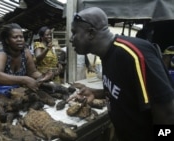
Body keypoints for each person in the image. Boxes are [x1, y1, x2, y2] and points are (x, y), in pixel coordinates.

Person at [69, 7, 174, 141]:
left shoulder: (134, 55)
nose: (71, 39)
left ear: (90, 33)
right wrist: (96, 93)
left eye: (74, 33)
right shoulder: (107, 54)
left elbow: (167, 113)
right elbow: (125, 91)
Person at [0, 23, 52, 93]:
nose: (19, 39)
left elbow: (33, 72)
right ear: (7, 40)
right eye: (15, 37)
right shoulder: (2, 54)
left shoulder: (26, 52)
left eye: (21, 37)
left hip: (18, 92)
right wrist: (24, 79)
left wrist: (43, 76)